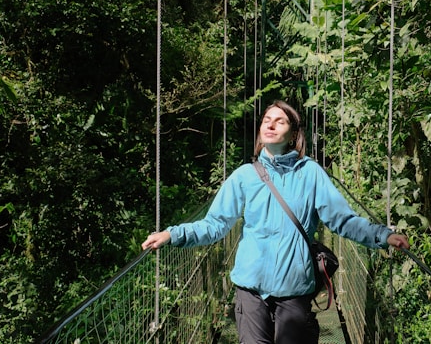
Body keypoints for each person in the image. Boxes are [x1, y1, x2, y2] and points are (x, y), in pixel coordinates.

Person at [141, 100, 410, 344]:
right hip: (251, 289)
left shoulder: (311, 174)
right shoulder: (244, 176)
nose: (270, 124)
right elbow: (215, 224)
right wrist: (172, 235)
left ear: (293, 134)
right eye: (266, 120)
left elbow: (342, 219)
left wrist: (382, 236)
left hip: (294, 289)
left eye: (279, 120)